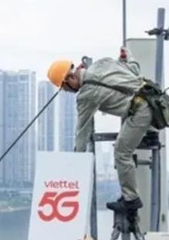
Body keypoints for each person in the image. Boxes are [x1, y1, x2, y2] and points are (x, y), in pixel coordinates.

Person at [48, 49, 152, 215]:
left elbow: (82, 131)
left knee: (121, 152)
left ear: (70, 78)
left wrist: (77, 163)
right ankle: (129, 196)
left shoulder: (86, 95)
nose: (67, 92)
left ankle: (131, 200)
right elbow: (134, 70)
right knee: (123, 148)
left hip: (141, 113)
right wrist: (127, 58)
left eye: (65, 88)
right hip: (150, 100)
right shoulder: (102, 63)